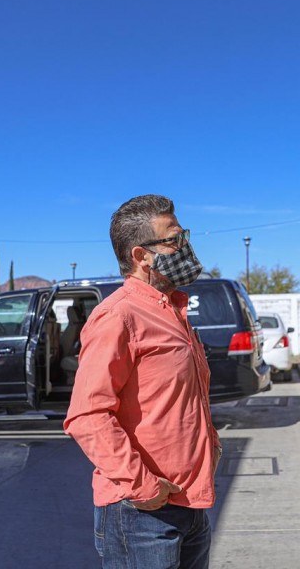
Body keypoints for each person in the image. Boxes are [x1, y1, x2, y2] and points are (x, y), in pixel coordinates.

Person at [64, 194, 221, 569]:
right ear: (141, 256)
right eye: (173, 239)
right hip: (142, 515)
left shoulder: (173, 311)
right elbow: (87, 416)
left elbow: (185, 399)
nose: (184, 247)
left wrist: (212, 446)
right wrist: (143, 486)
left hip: (190, 505)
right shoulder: (118, 316)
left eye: (184, 236)